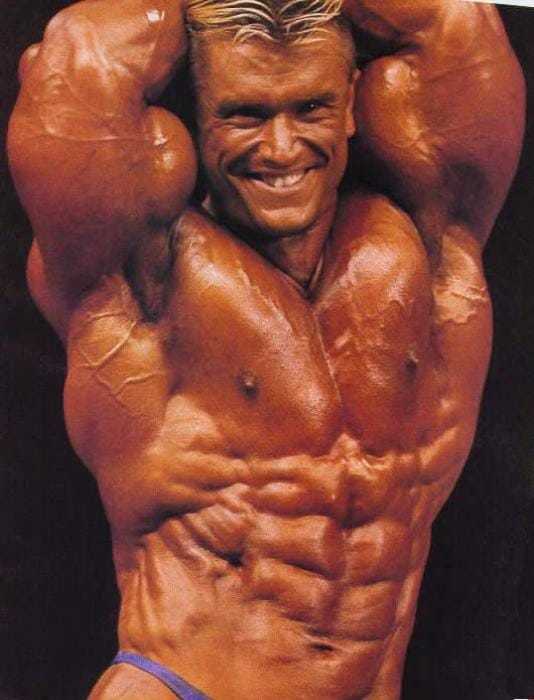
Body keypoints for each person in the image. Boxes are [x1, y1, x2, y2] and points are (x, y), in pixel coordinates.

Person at [7, 0, 525, 697]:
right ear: (199, 115)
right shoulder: (135, 281)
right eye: (244, 114)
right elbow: (83, 54)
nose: (281, 149)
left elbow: (455, 23)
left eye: (310, 108)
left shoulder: (428, 246)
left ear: (352, 102)